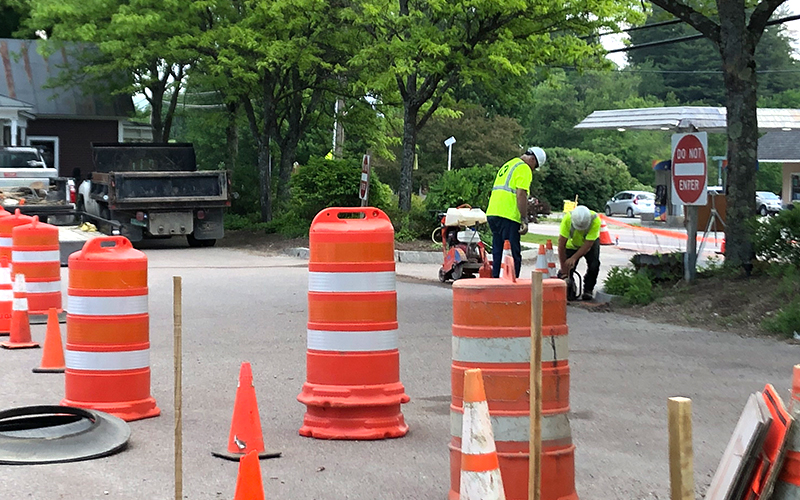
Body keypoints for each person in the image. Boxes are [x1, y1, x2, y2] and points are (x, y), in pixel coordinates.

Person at [486, 147, 546, 278]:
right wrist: (524, 218)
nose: (533, 170)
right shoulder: (524, 168)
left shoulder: (509, 164)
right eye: (535, 167)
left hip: (493, 213)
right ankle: (512, 284)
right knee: (512, 254)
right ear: (532, 159)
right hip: (508, 215)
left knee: (498, 252)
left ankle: (496, 281)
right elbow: (521, 194)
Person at [558, 205, 601, 300]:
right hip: (572, 244)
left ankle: (588, 290)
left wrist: (574, 258)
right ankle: (568, 288)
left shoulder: (595, 220)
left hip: (590, 243)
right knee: (568, 267)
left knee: (594, 265)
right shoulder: (567, 219)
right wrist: (564, 269)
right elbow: (561, 245)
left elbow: (588, 244)